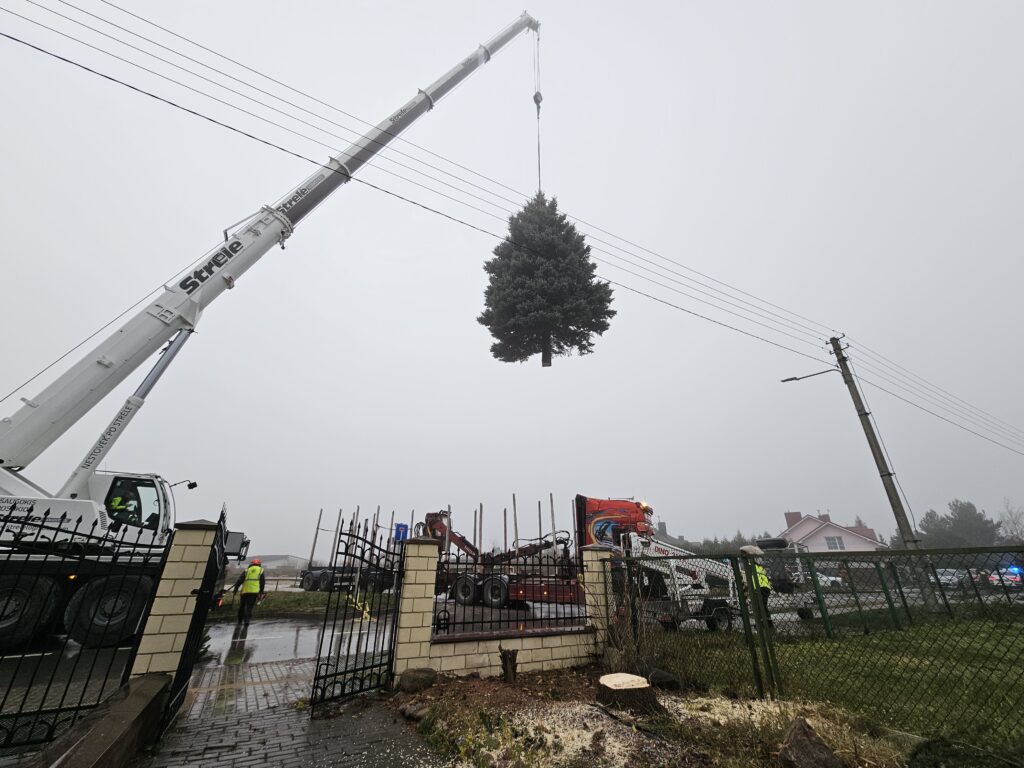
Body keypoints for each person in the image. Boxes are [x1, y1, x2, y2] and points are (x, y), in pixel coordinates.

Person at [740, 545, 773, 630]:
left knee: (760, 606)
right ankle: (766, 623)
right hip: (760, 587)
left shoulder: (753, 564)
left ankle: (765, 624)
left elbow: (747, 550)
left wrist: (749, 552)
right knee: (761, 606)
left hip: (762, 587)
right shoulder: (755, 565)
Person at [232, 558, 265, 626]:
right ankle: (246, 621)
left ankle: (239, 621)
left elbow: (239, 580)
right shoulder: (260, 570)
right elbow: (262, 582)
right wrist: (261, 591)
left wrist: (235, 589)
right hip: (254, 592)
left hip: (245, 591)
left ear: (251, 564)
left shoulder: (247, 570)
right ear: (259, 564)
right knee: (249, 607)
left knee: (242, 606)